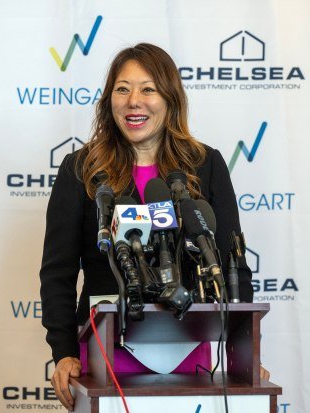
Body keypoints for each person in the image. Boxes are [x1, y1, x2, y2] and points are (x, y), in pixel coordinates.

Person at [39, 43, 253, 411]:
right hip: (104, 354)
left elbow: (233, 266)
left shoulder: (207, 165)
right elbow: (57, 272)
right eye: (122, 89)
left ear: (170, 99)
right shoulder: (81, 168)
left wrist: (243, 356)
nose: (133, 100)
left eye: (148, 89)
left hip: (189, 350)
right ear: (109, 100)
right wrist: (63, 352)